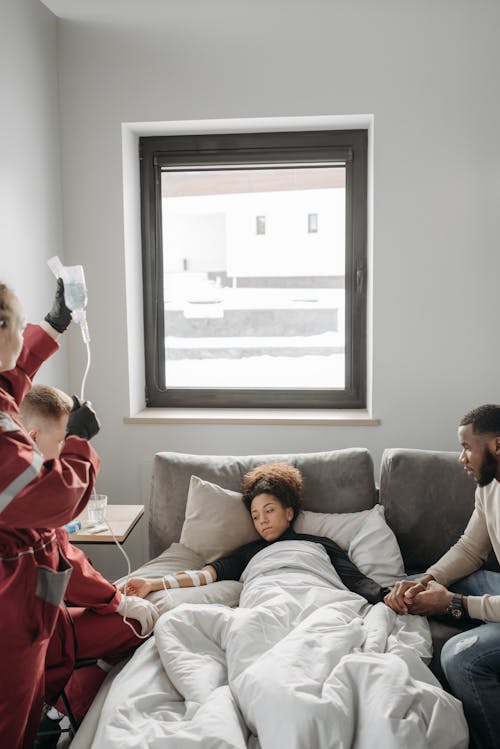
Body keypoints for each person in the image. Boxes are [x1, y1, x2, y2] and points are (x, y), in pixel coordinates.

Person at [19, 385, 160, 748]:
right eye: (62, 446)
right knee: (135, 624)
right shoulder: (31, 495)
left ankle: (66, 705)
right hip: (36, 634)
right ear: (33, 437)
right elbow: (66, 566)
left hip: (37, 616)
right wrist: (117, 601)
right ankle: (69, 709)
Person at [0, 280, 101, 749]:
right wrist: (79, 446)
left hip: (27, 591)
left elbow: (14, 373)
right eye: (19, 329)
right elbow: (53, 498)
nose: (23, 339)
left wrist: (53, 325)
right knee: (11, 717)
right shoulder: (5, 440)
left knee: (32, 694)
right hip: (9, 599)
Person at [384, 404, 500, 749]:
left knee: (459, 658)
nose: (461, 458)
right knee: (440, 579)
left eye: (466, 447)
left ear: (497, 445)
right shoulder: (489, 487)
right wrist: (426, 580)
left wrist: (455, 603)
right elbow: (469, 550)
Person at [122, 462, 392, 605]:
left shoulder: (320, 544)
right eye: (255, 515)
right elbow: (203, 575)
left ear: (289, 512)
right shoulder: (248, 554)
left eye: (269, 510)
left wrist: (387, 596)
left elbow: (355, 581)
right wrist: (152, 584)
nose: (261, 520)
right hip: (268, 601)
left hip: (318, 598)